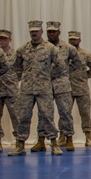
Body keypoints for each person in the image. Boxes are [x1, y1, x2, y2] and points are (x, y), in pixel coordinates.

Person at [12, 21, 61, 155]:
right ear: (29, 32)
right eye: (32, 31)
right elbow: (16, 66)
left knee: (47, 116)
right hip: (27, 89)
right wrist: (22, 78)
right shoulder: (23, 49)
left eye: (36, 31)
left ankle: (54, 144)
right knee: (23, 116)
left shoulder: (50, 48)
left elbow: (60, 65)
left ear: (41, 32)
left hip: (44, 88)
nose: (34, 33)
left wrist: (48, 76)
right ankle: (20, 145)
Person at [46, 21, 83, 151]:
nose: (51, 34)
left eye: (53, 31)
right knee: (44, 114)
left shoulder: (68, 48)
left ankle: (68, 139)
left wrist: (65, 71)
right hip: (44, 85)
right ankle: (43, 139)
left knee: (65, 112)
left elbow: (78, 63)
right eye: (49, 31)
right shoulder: (42, 47)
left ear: (59, 32)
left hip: (62, 84)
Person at [67, 30, 91, 148]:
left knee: (85, 113)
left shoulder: (86, 55)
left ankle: (88, 136)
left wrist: (83, 76)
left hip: (82, 89)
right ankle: (64, 136)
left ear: (79, 40)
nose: (73, 41)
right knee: (65, 114)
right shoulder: (62, 54)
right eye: (71, 39)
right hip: (66, 89)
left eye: (75, 39)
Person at [0, 29, 20, 153]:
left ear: (10, 40)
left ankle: (19, 141)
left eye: (4, 39)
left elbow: (22, 69)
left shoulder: (16, 54)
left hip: (11, 90)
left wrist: (14, 80)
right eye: (0, 39)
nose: (2, 41)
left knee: (16, 116)